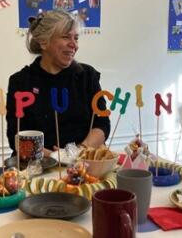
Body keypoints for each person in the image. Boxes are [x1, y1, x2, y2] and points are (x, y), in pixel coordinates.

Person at [6, 10, 110, 157]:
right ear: (43, 42)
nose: (74, 45)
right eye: (66, 37)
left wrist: (78, 152)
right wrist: (55, 157)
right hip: (37, 166)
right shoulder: (21, 82)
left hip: (83, 164)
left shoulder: (87, 76)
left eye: (76, 38)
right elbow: (15, 138)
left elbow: (102, 125)